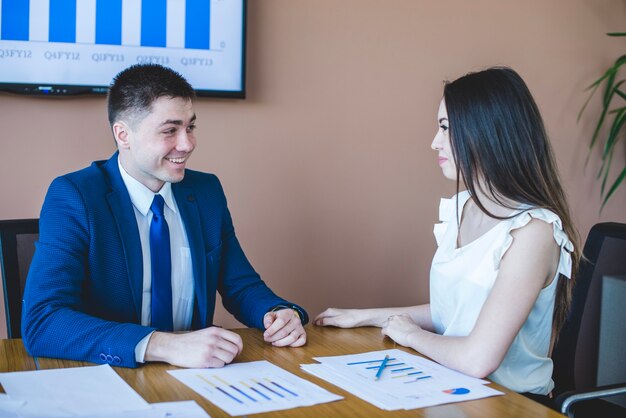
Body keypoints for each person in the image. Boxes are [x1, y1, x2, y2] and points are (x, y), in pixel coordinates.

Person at [315, 67, 580, 397]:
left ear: (485, 132)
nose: (434, 142)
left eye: (445, 128)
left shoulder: (533, 232)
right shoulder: (464, 207)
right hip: (453, 386)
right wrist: (369, 316)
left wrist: (409, 334)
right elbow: (457, 310)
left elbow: (477, 359)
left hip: (512, 403)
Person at [22, 63, 308, 369]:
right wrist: (162, 344)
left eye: (190, 127)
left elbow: (241, 285)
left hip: (198, 377)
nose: (187, 144)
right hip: (110, 376)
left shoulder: (206, 192)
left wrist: (277, 312)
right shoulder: (75, 196)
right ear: (123, 135)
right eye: (170, 130)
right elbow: (43, 320)